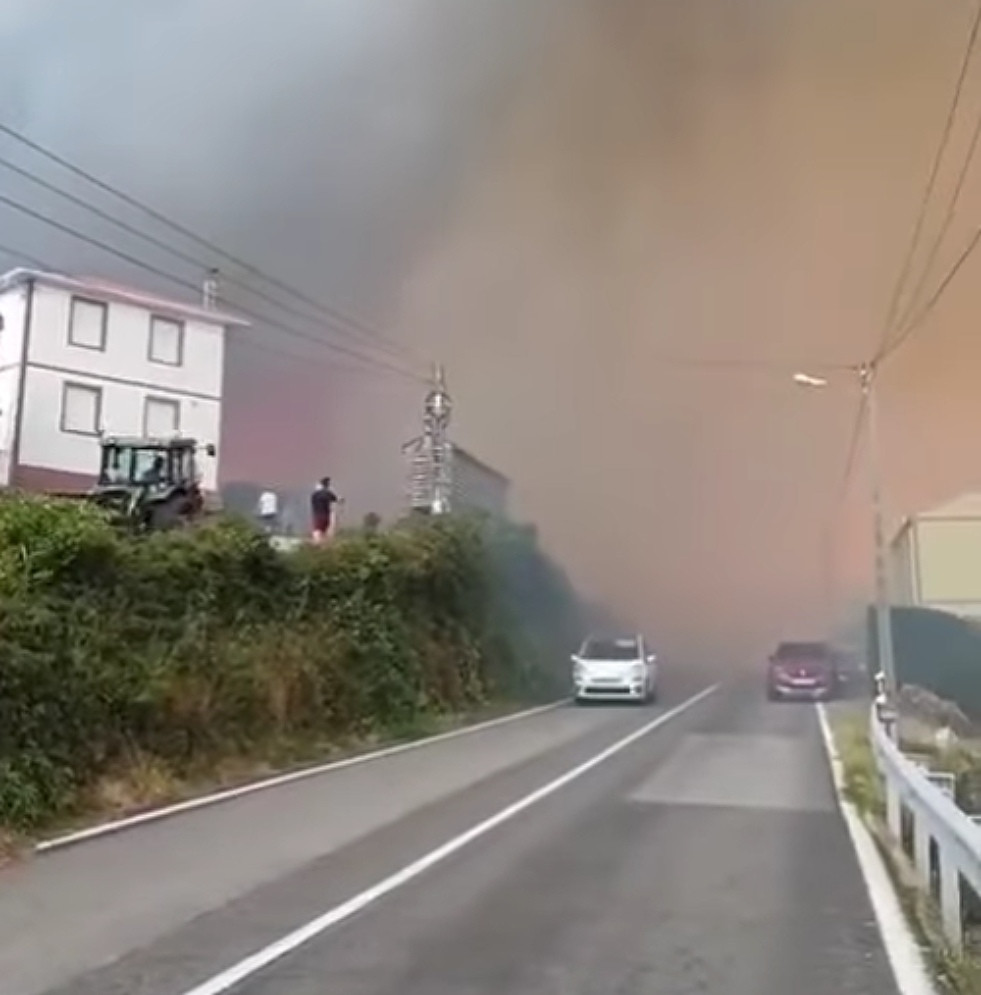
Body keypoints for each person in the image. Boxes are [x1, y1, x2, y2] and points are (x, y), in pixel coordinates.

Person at [310, 477, 341, 544]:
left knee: (317, 531)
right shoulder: (328, 493)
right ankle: (324, 546)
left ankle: (317, 545)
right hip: (327, 516)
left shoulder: (315, 494)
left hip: (318, 515)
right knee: (325, 533)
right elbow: (338, 500)